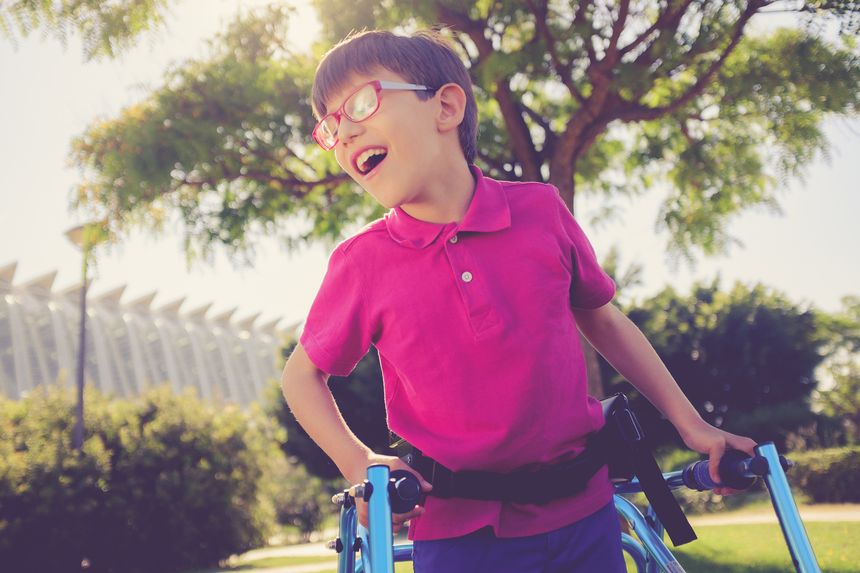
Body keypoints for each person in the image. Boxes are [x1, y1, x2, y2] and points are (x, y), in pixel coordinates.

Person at [281, 28, 757, 572]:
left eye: (361, 102)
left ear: (446, 107)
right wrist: (360, 462)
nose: (343, 133)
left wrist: (692, 425)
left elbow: (604, 321)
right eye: (330, 125)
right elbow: (301, 376)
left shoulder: (540, 211)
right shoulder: (362, 263)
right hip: (459, 529)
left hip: (584, 508)